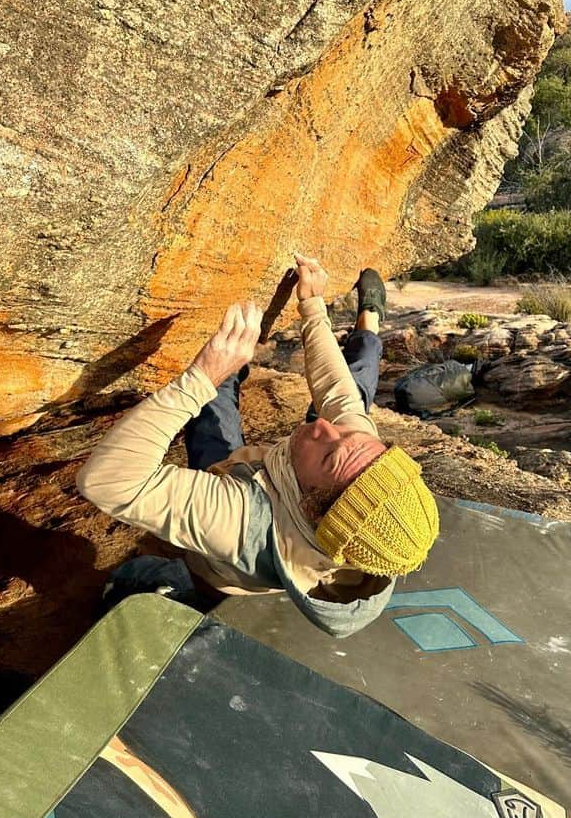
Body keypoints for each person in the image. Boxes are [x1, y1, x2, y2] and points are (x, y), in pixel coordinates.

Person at [76, 254, 440, 637]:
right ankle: (370, 321)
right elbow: (337, 394)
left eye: (332, 453)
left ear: (311, 506)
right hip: (285, 484)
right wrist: (313, 308)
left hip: (226, 554)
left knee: (214, 403)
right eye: (354, 437)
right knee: (357, 384)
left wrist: (201, 377)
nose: (325, 428)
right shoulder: (360, 462)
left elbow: (107, 481)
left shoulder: (240, 523)